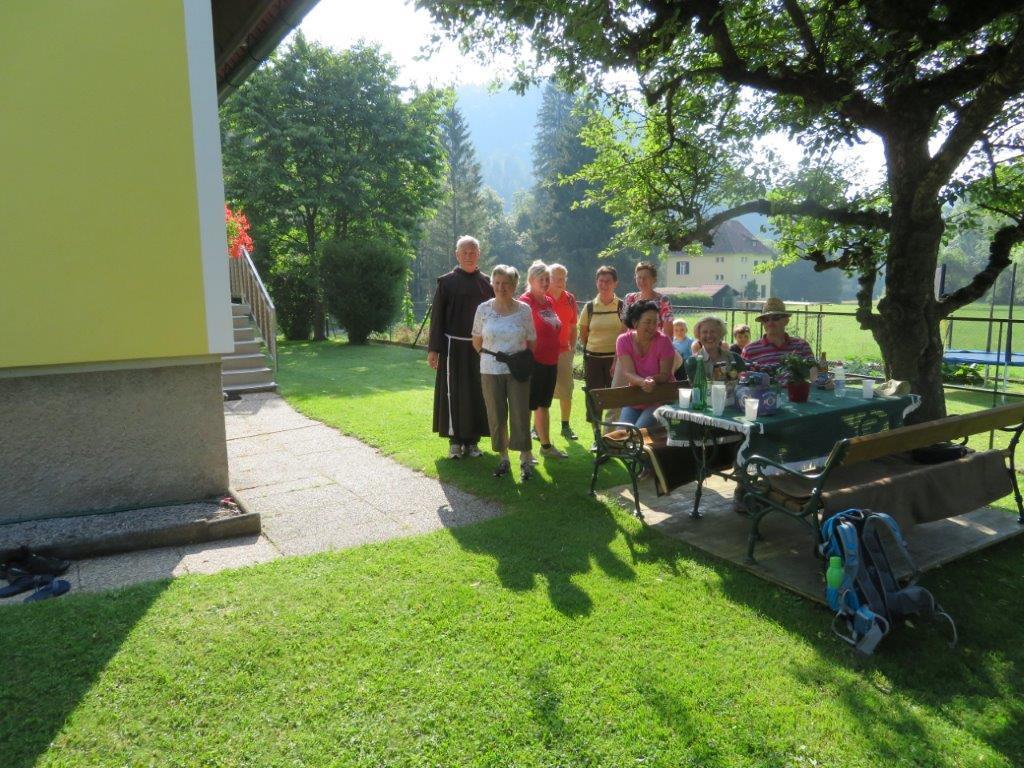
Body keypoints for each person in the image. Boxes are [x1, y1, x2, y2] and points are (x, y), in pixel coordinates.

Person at [428, 235, 494, 459]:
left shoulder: (487, 283)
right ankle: (455, 443)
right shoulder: (446, 283)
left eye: (472, 252)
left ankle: (473, 442)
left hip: (479, 349)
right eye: (464, 252)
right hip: (452, 349)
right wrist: (433, 349)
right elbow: (437, 319)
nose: (469, 256)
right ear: (457, 255)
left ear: (478, 254)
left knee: (477, 394)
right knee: (453, 393)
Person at [472, 265, 537, 480]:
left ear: (514, 285)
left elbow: (532, 340)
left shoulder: (524, 310)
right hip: (490, 370)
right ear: (492, 284)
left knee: (520, 414)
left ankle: (525, 459)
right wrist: (491, 358)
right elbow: (476, 340)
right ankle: (503, 459)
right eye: (497, 283)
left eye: (506, 284)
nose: (501, 287)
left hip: (518, 371)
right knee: (496, 415)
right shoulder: (483, 309)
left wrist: (520, 362)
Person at [520, 261, 568, 459]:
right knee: (527, 406)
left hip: (550, 361)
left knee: (544, 405)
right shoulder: (525, 302)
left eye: (547, 279)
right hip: (533, 362)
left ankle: (546, 447)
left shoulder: (548, 301)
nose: (545, 282)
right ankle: (525, 452)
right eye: (541, 279)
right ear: (531, 280)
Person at [615, 300, 676, 428]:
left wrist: (652, 380)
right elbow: (629, 373)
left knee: (638, 431)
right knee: (622, 432)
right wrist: (643, 382)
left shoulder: (663, 341)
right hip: (636, 398)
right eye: (648, 322)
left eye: (655, 322)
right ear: (635, 322)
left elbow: (665, 375)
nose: (653, 327)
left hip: (660, 398)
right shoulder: (623, 341)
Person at [579, 266, 625, 419]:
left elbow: (627, 333)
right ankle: (597, 432)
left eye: (608, 281)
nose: (604, 284)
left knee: (616, 398)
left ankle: (615, 430)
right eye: (601, 281)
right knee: (594, 397)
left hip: (617, 360)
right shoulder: (589, 307)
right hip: (593, 360)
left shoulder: (622, 306)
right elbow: (583, 335)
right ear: (596, 282)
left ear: (615, 283)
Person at [547, 263, 578, 440]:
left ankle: (565, 426)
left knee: (566, 390)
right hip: (543, 352)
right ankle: (536, 428)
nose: (560, 282)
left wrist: (572, 348)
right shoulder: (541, 297)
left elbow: (573, 327)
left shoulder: (570, 298)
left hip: (564, 351)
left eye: (563, 278)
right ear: (548, 279)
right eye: (556, 278)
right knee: (542, 389)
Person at [741, 297, 815, 369]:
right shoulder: (750, 351)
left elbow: (814, 373)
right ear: (762, 323)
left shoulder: (802, 347)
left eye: (775, 318)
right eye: (766, 319)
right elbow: (741, 375)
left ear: (786, 321)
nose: (770, 323)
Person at [685, 316, 746, 392]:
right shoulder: (692, 362)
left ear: (721, 334)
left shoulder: (735, 358)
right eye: (704, 332)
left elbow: (744, 386)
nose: (709, 335)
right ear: (699, 336)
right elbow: (701, 389)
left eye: (713, 331)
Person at [623, 261, 674, 337]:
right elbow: (624, 328)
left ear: (654, 279)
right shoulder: (629, 298)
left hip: (655, 343)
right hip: (632, 343)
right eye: (639, 277)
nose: (642, 281)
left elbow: (668, 333)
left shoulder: (663, 300)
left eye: (646, 277)